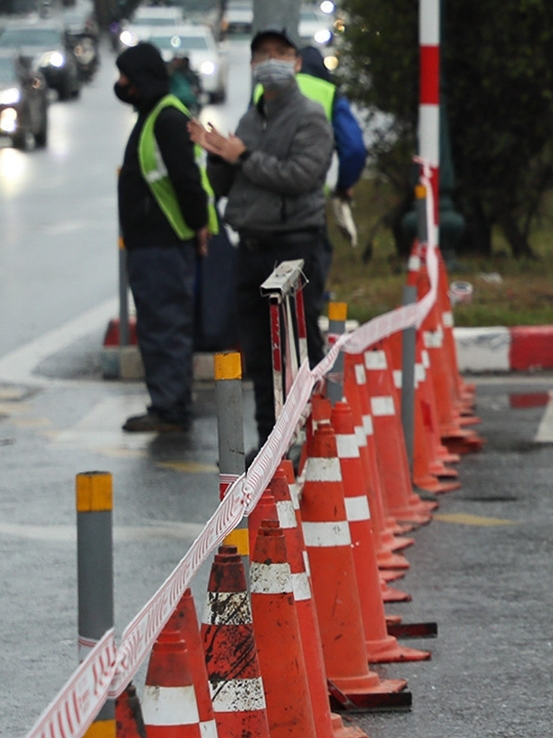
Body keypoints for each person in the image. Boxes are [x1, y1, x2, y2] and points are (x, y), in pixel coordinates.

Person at [193, 30, 335, 444]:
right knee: (257, 355)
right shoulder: (250, 119)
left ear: (295, 63)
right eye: (262, 55)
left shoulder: (309, 116)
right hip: (251, 247)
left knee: (298, 352)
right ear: (252, 66)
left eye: (280, 53)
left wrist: (245, 157)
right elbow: (224, 183)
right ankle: (269, 442)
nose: (270, 61)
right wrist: (217, 155)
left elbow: (301, 177)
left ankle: (310, 439)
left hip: (294, 251)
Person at [115, 43, 215, 433]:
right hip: (152, 243)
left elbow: (187, 180)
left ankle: (171, 408)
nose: (121, 84)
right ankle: (166, 402)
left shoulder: (167, 118)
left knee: (166, 326)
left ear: (141, 78)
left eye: (126, 76)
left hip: (165, 242)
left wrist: (197, 226)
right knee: (158, 324)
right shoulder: (153, 114)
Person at [294, 44, 366, 279]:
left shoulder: (266, 91)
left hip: (262, 207)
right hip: (308, 201)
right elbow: (354, 149)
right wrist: (344, 185)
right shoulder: (328, 93)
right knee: (308, 274)